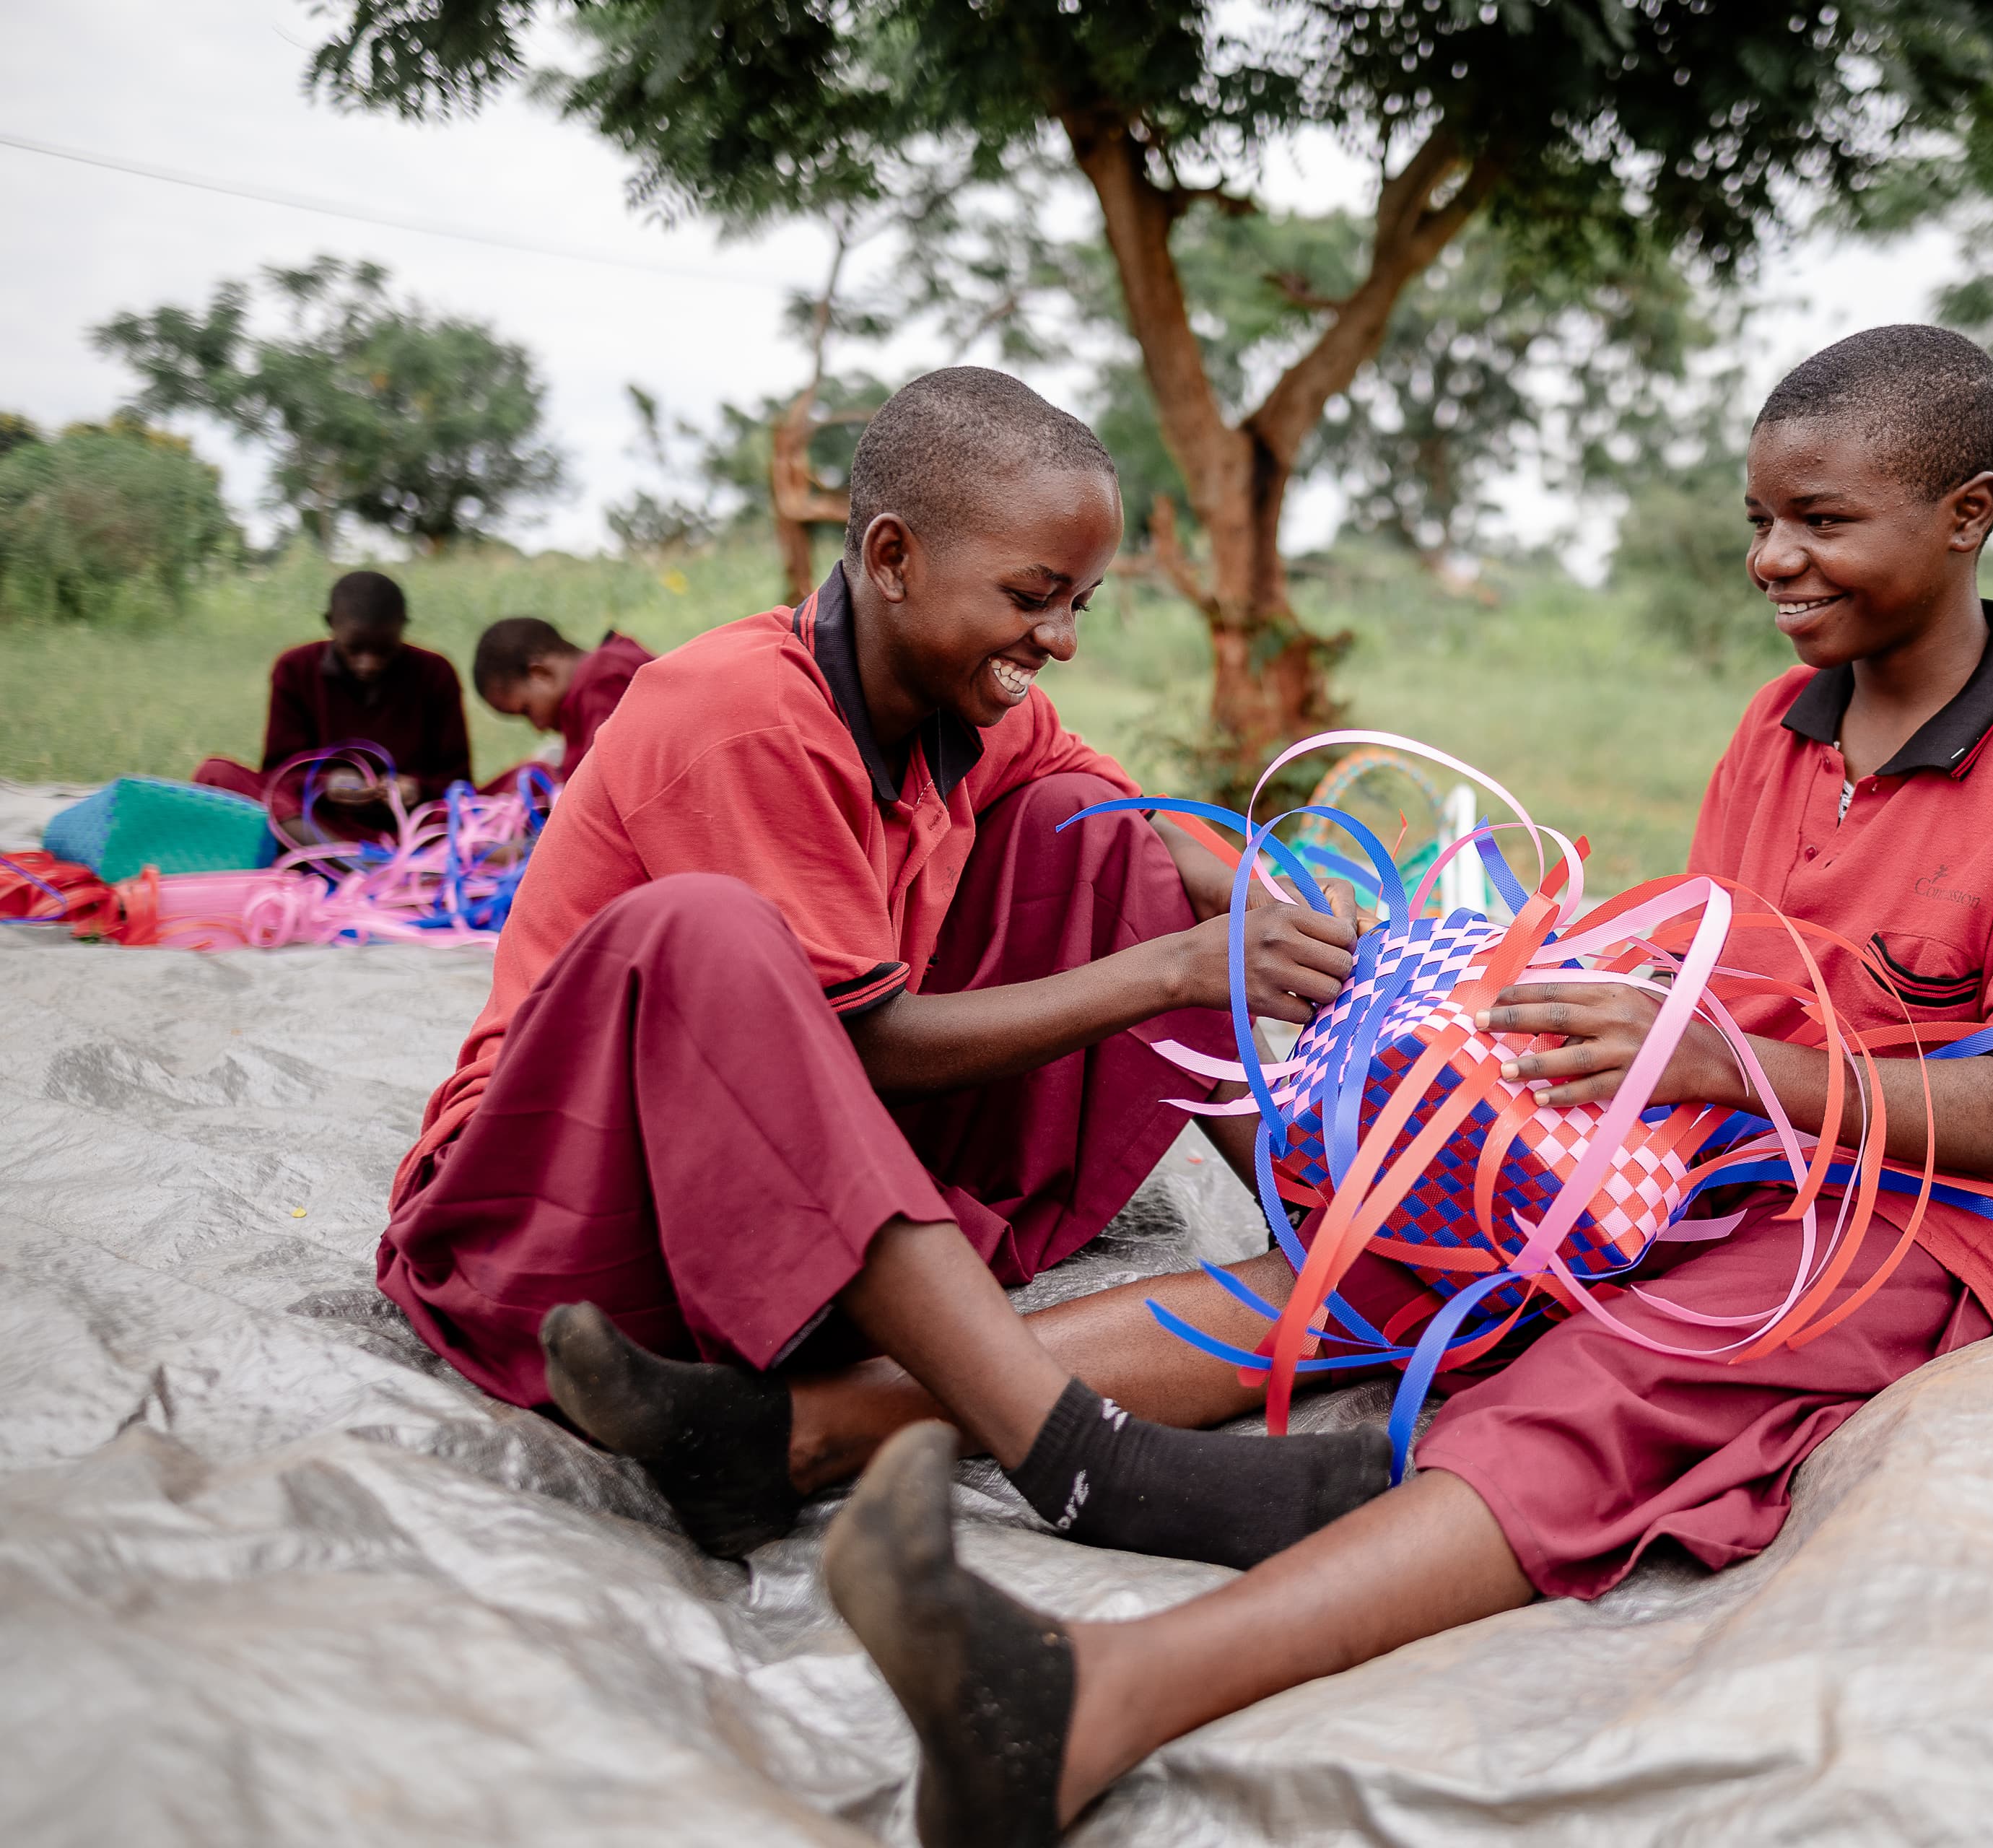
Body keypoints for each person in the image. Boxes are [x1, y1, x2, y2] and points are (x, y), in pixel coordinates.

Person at [818, 326, 1993, 1843]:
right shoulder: (1781, 727)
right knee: (1399, 1236)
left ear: (1967, 514)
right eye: (1758, 522)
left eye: (1822, 521)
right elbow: (1706, 977)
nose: (1774, 560)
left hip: (1916, 1211)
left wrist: (1727, 1065)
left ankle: (1100, 1692)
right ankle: (819, 1428)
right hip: (1715, 1139)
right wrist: (1522, 1030)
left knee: (1609, 1380)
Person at [377, 368, 1389, 1572]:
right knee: (706, 928)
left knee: (1093, 822)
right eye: (1032, 596)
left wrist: (1305, 924)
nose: (1059, 640)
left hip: (794, 1188)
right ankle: (1083, 1462)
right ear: (894, 555)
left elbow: (1157, 834)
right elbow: (863, 1041)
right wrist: (1178, 968)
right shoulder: (742, 711)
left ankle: (1317, 1206)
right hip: (565, 1222)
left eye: (1080, 603)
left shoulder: (971, 700)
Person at [193, 570, 473, 830]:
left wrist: (417, 788)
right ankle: (344, 856)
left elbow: (460, 782)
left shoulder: (436, 673)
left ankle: (331, 855)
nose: (368, 664)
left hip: (413, 824)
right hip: (318, 820)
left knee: (507, 788)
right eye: (355, 649)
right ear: (331, 624)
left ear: (402, 627)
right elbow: (280, 774)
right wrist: (325, 784)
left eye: (384, 650)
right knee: (216, 772)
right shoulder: (295, 669)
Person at [470, 616, 655, 791]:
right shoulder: (604, 671)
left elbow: (602, 786)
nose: (539, 727)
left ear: (540, 674)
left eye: (527, 711)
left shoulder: (600, 680)